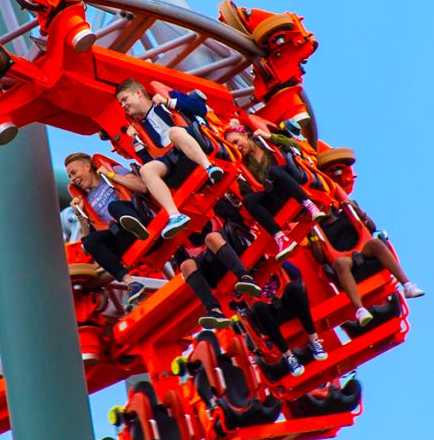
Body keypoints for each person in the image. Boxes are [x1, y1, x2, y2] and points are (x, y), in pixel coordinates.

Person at [114, 79, 226, 240]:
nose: (123, 105)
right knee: (147, 170)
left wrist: (169, 102)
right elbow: (148, 160)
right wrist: (137, 142)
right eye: (120, 103)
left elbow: (200, 108)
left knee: (174, 133)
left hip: (194, 141)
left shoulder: (166, 97)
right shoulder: (140, 127)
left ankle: (209, 168)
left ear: (138, 93)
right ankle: (175, 215)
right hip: (174, 160)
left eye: (125, 99)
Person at [308, 202, 425, 325]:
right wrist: (313, 235)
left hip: (363, 250)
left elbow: (372, 228)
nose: (322, 208)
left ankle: (407, 285)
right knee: (340, 263)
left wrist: (357, 210)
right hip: (344, 260)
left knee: (376, 243)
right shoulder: (318, 230)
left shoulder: (346, 215)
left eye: (323, 205)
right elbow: (320, 258)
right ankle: (360, 309)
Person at [224, 122, 326, 258]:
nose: (237, 147)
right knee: (250, 200)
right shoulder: (245, 166)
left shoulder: (267, 144)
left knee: (274, 171)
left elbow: (295, 146)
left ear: (245, 135)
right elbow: (247, 193)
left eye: (236, 142)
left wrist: (270, 137)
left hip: (291, 181)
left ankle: (309, 205)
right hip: (276, 195)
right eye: (233, 147)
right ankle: (281, 238)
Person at [65, 152, 150, 307]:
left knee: (114, 207)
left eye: (73, 173)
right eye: (70, 177)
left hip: (139, 216)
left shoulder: (113, 171)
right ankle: (130, 283)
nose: (72, 179)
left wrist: (111, 175)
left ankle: (137, 227)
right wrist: (80, 215)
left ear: (87, 166)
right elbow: (88, 240)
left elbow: (142, 187)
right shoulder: (87, 200)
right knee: (90, 241)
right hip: (122, 235)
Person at [170, 212, 262, 329]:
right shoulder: (177, 243)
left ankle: (245, 277)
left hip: (230, 244)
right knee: (186, 265)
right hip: (212, 268)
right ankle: (214, 310)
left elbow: (235, 215)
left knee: (211, 238)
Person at [243, 261, 326, 377]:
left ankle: (314, 340)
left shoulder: (268, 262)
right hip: (267, 314)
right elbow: (235, 304)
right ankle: (288, 356)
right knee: (258, 307)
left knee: (293, 287)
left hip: (284, 302)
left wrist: (278, 261)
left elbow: (296, 273)